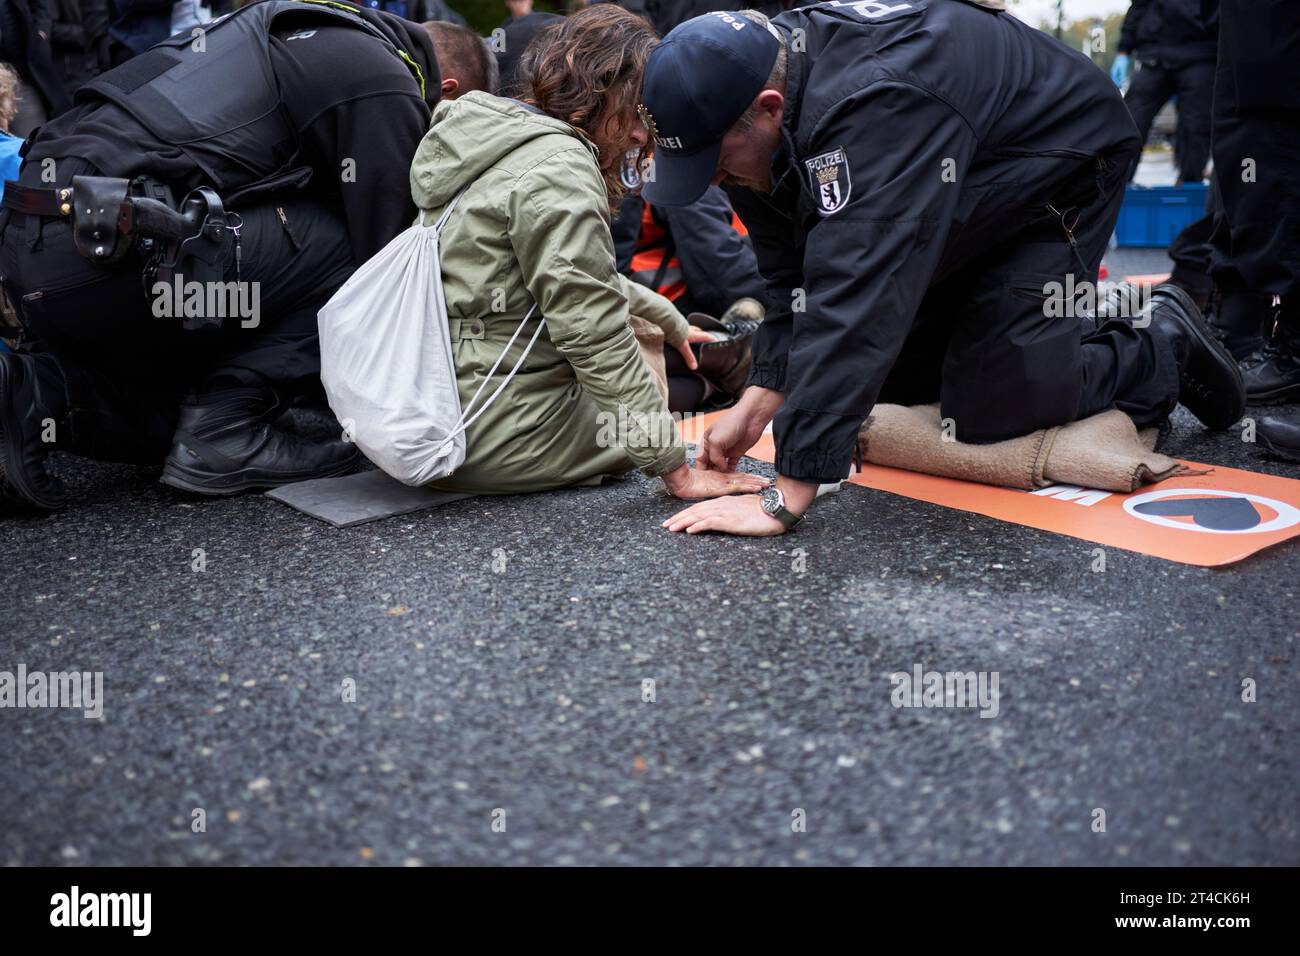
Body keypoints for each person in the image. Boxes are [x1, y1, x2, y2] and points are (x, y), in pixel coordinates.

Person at [642, 4, 1244, 537]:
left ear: (769, 109)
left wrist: (787, 493)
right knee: (894, 381)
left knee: (992, 406)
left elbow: (858, 299)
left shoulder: (875, 104)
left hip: (1058, 171)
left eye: (716, 164)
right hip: (956, 173)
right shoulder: (755, 112)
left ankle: (1157, 343)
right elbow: (792, 279)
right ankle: (1039, 329)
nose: (715, 182)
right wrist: (760, 397)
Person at [0, 0, 462, 510]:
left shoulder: (254, 34)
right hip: (114, 247)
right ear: (448, 92)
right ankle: (228, 423)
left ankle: (32, 392)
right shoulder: (382, 76)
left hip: (42, 255)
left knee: (173, 427)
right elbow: (393, 262)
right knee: (359, 248)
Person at [408, 4, 766, 499]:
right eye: (641, 111)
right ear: (605, 94)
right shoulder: (560, 169)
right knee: (635, 355)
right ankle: (715, 377)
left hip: (436, 404)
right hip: (492, 436)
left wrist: (667, 313)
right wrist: (675, 469)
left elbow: (545, 272)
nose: (644, 136)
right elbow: (592, 330)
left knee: (639, 330)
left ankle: (709, 367)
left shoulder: (491, 136)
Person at [1112, 0, 1218, 184]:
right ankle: (1116, 185)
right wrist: (1123, 49)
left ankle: (1189, 186)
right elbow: (1139, 5)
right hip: (1156, 54)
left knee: (1196, 127)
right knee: (1131, 119)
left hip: (1200, 52)